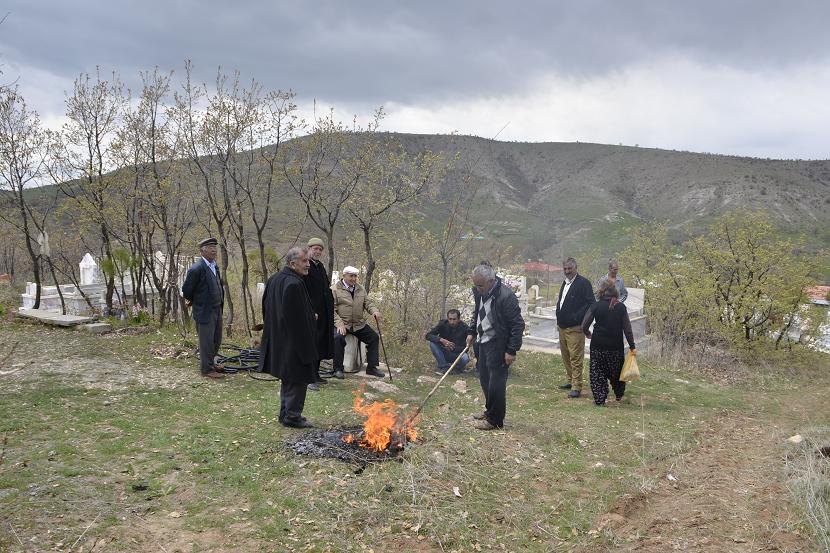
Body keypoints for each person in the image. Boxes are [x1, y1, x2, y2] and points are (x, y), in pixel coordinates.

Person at [258, 247, 318, 428]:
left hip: (278, 338)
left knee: (288, 378)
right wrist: (311, 319)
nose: (308, 264)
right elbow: (295, 318)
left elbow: (266, 309)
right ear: (292, 264)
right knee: (297, 378)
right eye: (304, 261)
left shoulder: (274, 279)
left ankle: (285, 414)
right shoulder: (294, 284)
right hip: (294, 342)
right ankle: (292, 417)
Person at [465, 262, 525, 430]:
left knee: (496, 382)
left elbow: (517, 325)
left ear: (491, 281)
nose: (477, 289)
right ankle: (489, 411)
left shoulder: (506, 297)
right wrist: (471, 331)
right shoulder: (480, 292)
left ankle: (495, 420)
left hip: (498, 344)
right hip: (482, 341)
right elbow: (477, 313)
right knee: (485, 379)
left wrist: (511, 350)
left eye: (480, 285)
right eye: (475, 285)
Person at [582, 279, 636, 406]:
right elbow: (627, 329)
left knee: (597, 372)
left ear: (601, 292)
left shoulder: (596, 306)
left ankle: (600, 399)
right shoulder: (621, 307)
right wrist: (632, 346)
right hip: (615, 347)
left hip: (598, 345)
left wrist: (587, 333)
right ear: (615, 292)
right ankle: (619, 394)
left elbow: (584, 325)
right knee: (616, 372)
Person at [182, 238, 225, 379]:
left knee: (216, 339)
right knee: (206, 341)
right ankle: (206, 370)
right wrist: (197, 302)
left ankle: (211, 364)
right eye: (210, 247)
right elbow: (187, 290)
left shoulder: (214, 266)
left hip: (217, 308)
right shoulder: (197, 269)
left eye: (214, 247)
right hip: (205, 311)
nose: (214, 250)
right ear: (202, 250)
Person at [331, 266, 385, 379]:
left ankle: (371, 368)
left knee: (374, 337)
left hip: (358, 324)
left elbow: (367, 303)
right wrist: (339, 323)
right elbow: (331, 309)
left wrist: (374, 311)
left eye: (355, 276)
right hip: (343, 324)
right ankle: (338, 369)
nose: (354, 278)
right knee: (337, 338)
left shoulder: (360, 289)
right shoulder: (334, 289)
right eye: (351, 276)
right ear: (344, 276)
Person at [555, 257, 595, 398]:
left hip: (575, 327)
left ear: (576, 268)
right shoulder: (565, 282)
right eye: (565, 268)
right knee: (566, 355)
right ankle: (570, 380)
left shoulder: (584, 283)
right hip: (562, 326)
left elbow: (591, 303)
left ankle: (577, 386)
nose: (567, 271)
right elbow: (561, 301)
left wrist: (577, 318)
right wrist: (558, 313)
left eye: (569, 268)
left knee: (575, 357)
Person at [304, 238, 335, 391]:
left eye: (320, 249)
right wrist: (309, 310)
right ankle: (307, 378)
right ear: (309, 249)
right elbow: (303, 290)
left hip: (323, 313)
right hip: (311, 312)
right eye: (315, 248)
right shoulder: (306, 266)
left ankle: (315, 374)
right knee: (310, 344)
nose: (317, 251)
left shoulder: (320, 266)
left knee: (319, 344)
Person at [425, 309, 471, 375]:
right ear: (447, 318)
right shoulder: (442, 324)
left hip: (457, 354)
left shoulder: (465, 328)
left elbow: (466, 348)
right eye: (450, 319)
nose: (452, 322)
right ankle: (444, 367)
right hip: (444, 352)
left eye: (454, 319)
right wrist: (442, 340)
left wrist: (453, 348)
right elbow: (428, 335)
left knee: (465, 358)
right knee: (432, 343)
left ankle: (456, 369)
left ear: (458, 319)